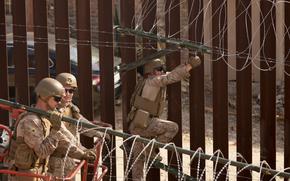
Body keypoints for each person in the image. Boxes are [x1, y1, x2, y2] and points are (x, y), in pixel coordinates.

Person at [127, 56, 201, 180]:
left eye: (162, 68)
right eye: (159, 69)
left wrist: (185, 65)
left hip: (136, 125)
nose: (162, 71)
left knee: (138, 162)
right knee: (173, 128)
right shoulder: (153, 80)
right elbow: (170, 77)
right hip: (145, 123)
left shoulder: (145, 80)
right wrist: (190, 66)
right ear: (151, 71)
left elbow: (171, 73)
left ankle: (145, 157)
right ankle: (150, 150)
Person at [47, 73, 110, 178]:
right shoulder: (52, 112)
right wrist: (83, 151)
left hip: (70, 158)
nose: (68, 94)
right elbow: (63, 136)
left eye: (71, 91)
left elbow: (83, 124)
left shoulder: (71, 109)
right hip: (55, 161)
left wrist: (100, 132)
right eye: (64, 90)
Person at [7, 77, 70, 181]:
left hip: (38, 175)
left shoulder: (46, 118)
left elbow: (63, 142)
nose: (59, 103)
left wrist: (83, 154)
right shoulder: (31, 121)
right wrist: (55, 130)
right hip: (25, 177)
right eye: (57, 99)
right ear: (45, 96)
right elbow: (42, 152)